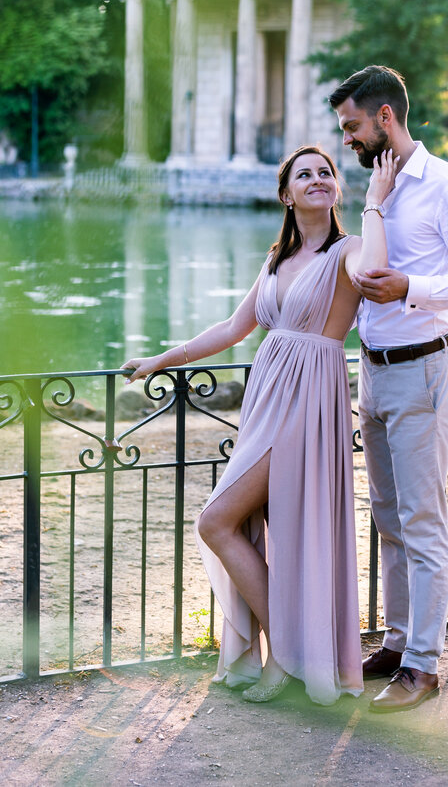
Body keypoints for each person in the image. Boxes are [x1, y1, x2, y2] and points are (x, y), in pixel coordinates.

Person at [121, 145, 399, 706]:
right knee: (251, 528)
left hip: (306, 408)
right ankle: (289, 659)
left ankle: (289, 660)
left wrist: (375, 202)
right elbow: (231, 328)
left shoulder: (347, 252)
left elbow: (375, 270)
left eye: (326, 173)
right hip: (266, 403)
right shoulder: (276, 258)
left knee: (216, 521)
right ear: (286, 194)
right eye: (305, 174)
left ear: (337, 190)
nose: (318, 179)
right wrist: (161, 358)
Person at [329, 66, 448, 713]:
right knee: (388, 519)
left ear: (384, 117)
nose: (346, 138)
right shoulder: (377, 185)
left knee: (422, 521)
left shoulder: (446, 184)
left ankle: (424, 667)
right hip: (373, 369)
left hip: (424, 368)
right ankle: (398, 645)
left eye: (351, 126)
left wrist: (413, 289)